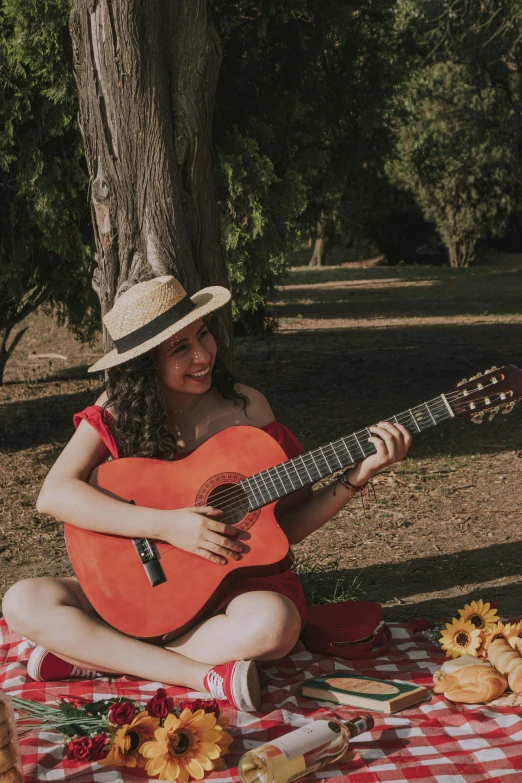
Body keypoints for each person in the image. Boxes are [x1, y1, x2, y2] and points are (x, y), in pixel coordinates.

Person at [2, 276, 411, 712]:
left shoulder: (248, 410)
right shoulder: (115, 410)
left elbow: (285, 528)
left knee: (275, 625)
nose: (202, 356)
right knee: (23, 600)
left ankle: (97, 654)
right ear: (143, 365)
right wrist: (169, 526)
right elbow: (54, 495)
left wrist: (355, 478)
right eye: (179, 349)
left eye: (203, 335)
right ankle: (197, 673)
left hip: (238, 589)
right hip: (144, 586)